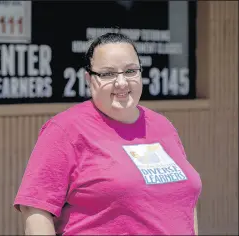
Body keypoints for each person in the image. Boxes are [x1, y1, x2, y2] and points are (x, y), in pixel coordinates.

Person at [14, 32, 202, 235]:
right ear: (89, 78)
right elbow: (36, 210)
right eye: (108, 74)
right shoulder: (65, 130)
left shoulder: (163, 127)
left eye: (130, 71)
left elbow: (186, 201)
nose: (121, 83)